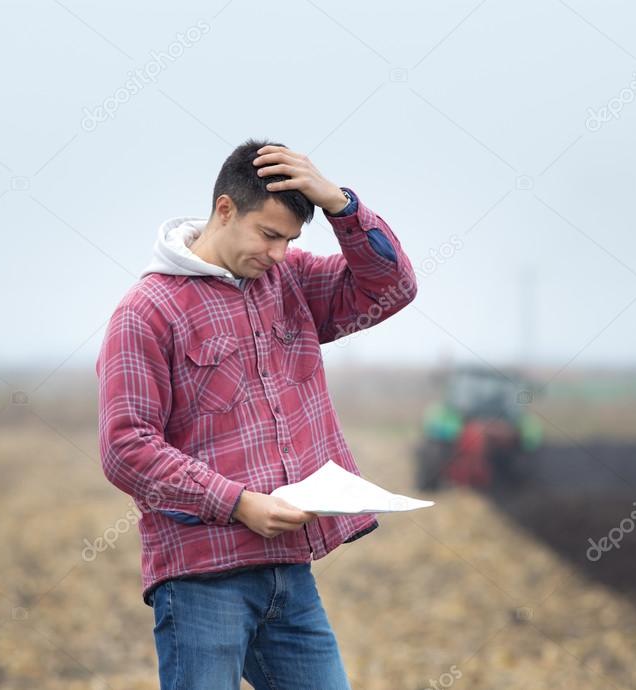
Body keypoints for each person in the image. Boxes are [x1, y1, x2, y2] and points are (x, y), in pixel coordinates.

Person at [96, 138, 417, 689]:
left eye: (289, 241)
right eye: (268, 235)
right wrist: (238, 503)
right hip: (201, 578)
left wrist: (342, 205)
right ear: (225, 210)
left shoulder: (288, 280)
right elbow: (127, 448)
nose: (277, 254)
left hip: (290, 574)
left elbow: (392, 287)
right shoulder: (146, 312)